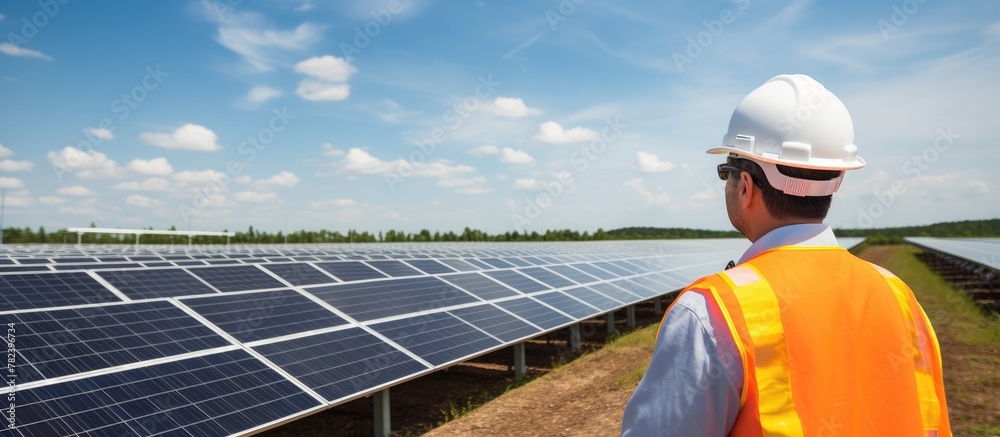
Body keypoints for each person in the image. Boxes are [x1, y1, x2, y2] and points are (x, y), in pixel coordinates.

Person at [621, 74, 950, 436]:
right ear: (836, 181)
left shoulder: (713, 313)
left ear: (745, 186)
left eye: (726, 172)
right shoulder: (899, 296)